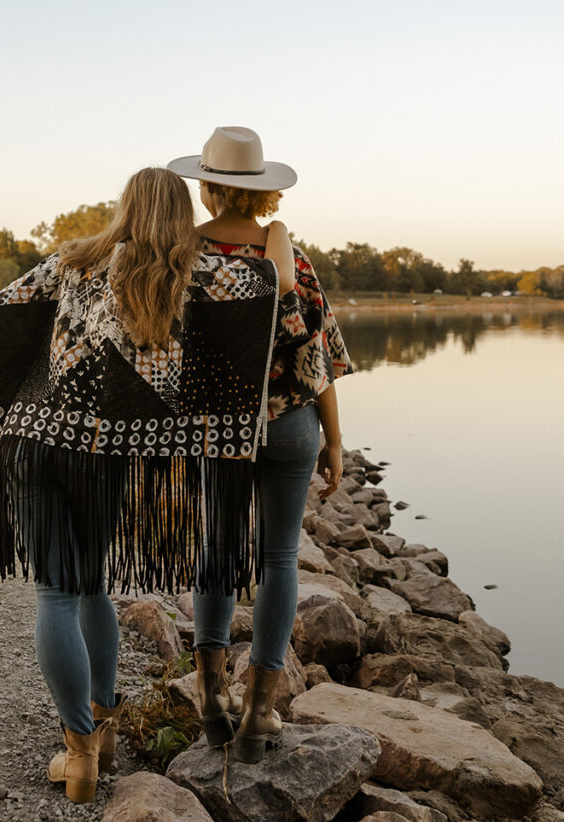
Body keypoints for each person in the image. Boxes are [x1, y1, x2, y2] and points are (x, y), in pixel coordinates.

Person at [0, 167, 294, 802]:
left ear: (123, 207)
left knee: (57, 595)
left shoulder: (72, 259)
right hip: (100, 458)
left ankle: (83, 753)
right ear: (176, 214)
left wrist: (19, 382)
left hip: (30, 441)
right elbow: (270, 287)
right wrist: (275, 229)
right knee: (89, 591)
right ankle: (99, 736)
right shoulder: (189, 275)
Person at [168, 126, 353, 763]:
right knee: (279, 560)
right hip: (289, 424)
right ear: (263, 190)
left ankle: (210, 696)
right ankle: (260, 711)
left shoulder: (182, 255)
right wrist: (334, 439)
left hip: (217, 431)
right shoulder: (287, 257)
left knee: (217, 549)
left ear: (208, 184)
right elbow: (318, 353)